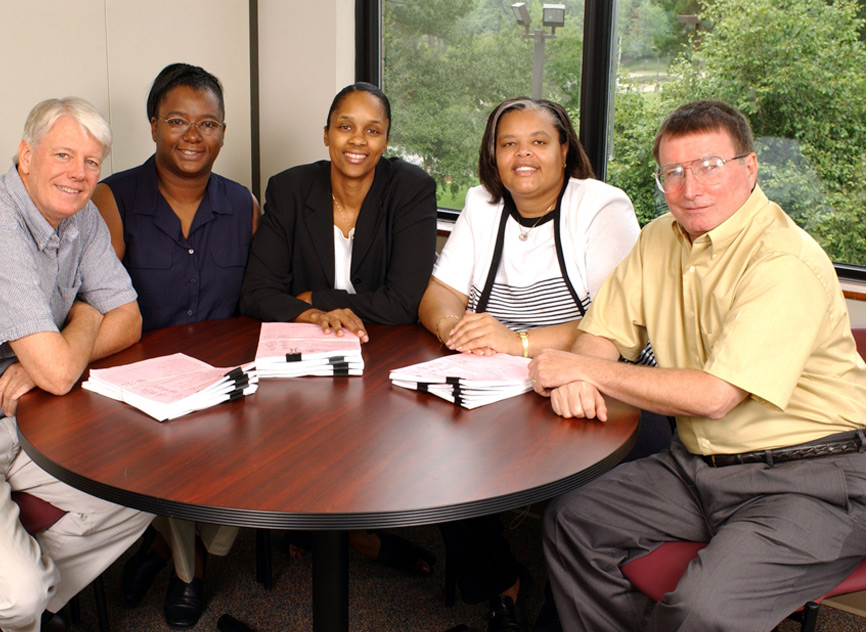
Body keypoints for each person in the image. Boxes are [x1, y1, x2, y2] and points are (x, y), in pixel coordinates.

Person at [531, 100, 866, 632]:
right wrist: (580, 369)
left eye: (709, 166)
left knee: (702, 610)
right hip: (696, 466)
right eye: (674, 172)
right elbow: (600, 336)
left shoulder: (784, 260)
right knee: (574, 521)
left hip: (812, 478)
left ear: (749, 168)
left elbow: (715, 396)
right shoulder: (659, 237)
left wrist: (584, 372)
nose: (690, 188)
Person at [0, 97, 152, 632]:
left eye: (92, 162)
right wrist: (87, 315)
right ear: (25, 156)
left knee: (143, 493)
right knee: (18, 592)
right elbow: (63, 370)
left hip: (20, 419)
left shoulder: (80, 215)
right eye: (63, 154)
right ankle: (14, 598)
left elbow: (131, 320)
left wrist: (56, 354)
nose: (78, 174)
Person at [418, 96, 648, 632]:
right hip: (500, 381)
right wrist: (457, 328)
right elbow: (438, 295)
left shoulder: (601, 205)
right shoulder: (481, 205)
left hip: (596, 381)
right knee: (438, 469)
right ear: (493, 157)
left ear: (565, 151)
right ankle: (502, 585)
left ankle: (562, 614)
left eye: (539, 142)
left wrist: (516, 341)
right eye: (508, 144)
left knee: (581, 493)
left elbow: (615, 324)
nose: (524, 154)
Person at [239, 82, 439, 573]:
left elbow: (403, 303)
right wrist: (309, 314)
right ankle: (336, 532)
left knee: (377, 439)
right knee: (296, 430)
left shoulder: (411, 189)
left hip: (386, 351)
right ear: (326, 134)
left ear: (386, 141)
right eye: (345, 127)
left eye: (373, 131)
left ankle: (351, 531)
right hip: (311, 350)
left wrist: (314, 297)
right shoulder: (290, 188)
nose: (357, 140)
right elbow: (256, 293)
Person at [93, 63, 259, 630]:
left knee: (283, 444)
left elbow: (266, 296)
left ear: (223, 131)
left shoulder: (244, 204)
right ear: (154, 125)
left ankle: (165, 546)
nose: (193, 136)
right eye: (178, 121)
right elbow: (91, 303)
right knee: (178, 449)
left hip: (229, 380)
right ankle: (189, 572)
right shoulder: (112, 199)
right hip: (140, 383)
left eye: (208, 123)